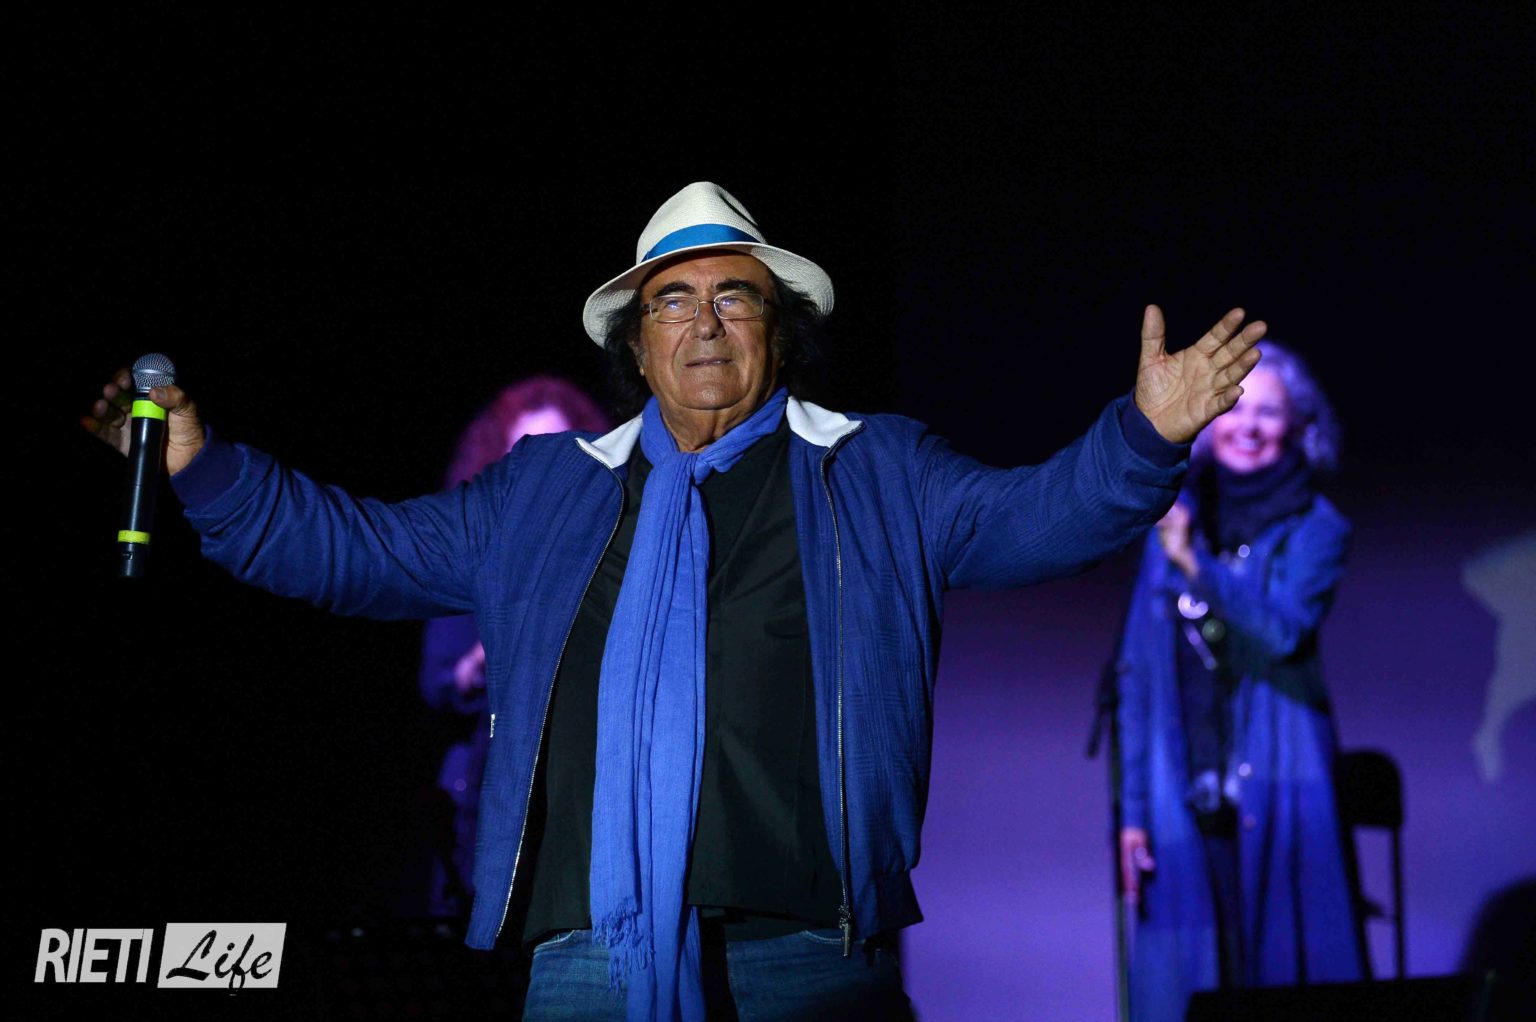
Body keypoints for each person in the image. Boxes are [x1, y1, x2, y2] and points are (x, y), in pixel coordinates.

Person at [85, 181, 1265, 1021]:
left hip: (808, 959)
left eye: (735, 297)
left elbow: (1036, 519)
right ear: (638, 345)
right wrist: (199, 465)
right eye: (672, 300)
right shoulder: (545, 492)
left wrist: (1144, 434)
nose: (703, 322)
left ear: (779, 333)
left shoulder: (874, 469)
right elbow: (350, 550)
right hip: (588, 965)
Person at [1114, 342, 1364, 1022]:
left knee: (1278, 978)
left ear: (1298, 427)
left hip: (1280, 780)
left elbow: (1283, 633)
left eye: (1269, 412)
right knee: (1190, 984)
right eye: (1234, 408)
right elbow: (1137, 674)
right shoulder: (1174, 521)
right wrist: (1133, 813)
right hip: (1181, 788)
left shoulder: (1317, 529)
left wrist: (1197, 565)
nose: (1248, 426)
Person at [420, 377, 608, 917]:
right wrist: (479, 663)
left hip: (585, 792)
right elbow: (437, 681)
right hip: (486, 789)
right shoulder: (473, 551)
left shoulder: (612, 545)